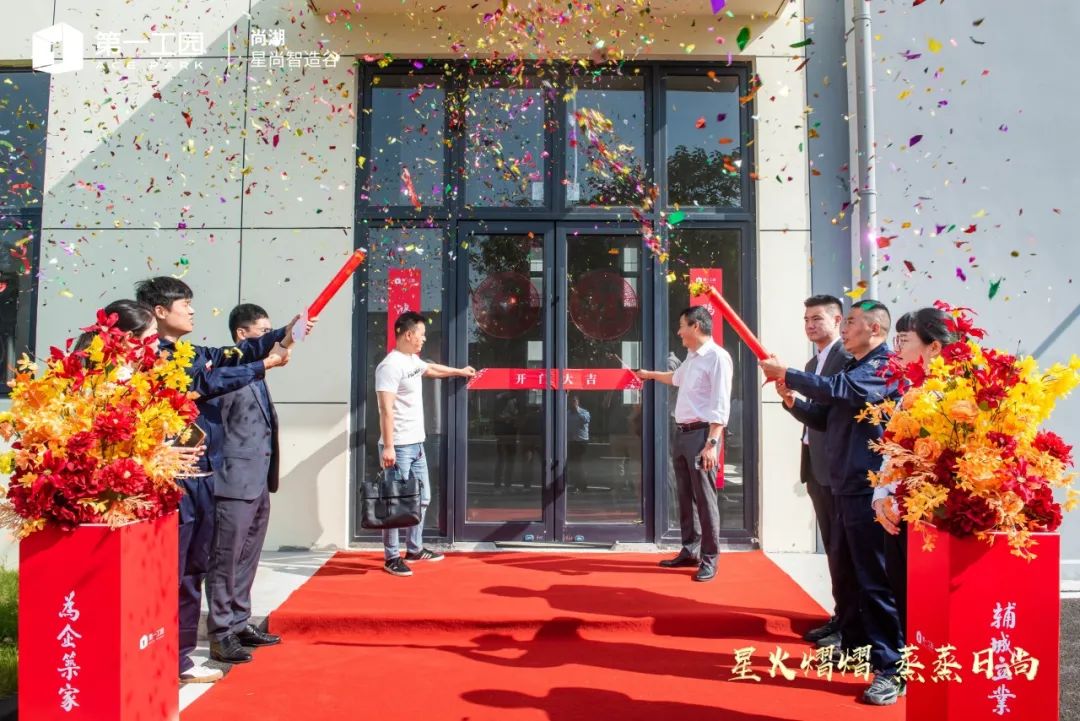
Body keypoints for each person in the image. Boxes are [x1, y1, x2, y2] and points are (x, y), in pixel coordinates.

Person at [135, 277, 305, 684]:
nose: (192, 310)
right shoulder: (152, 357)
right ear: (160, 311)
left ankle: (180, 658)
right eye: (185, 304)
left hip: (201, 475)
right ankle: (166, 654)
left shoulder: (191, 352)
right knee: (178, 571)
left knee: (193, 570)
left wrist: (284, 333)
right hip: (173, 478)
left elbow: (233, 354)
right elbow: (206, 383)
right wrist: (264, 365)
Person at [760, 299, 904, 706]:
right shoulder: (854, 367)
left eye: (851, 322)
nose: (844, 330)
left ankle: (892, 666)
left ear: (875, 329)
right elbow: (825, 417)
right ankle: (859, 647)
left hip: (867, 489)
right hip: (843, 483)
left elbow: (844, 392)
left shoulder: (883, 366)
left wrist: (787, 373)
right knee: (852, 574)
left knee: (875, 580)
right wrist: (793, 401)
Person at [206, 304, 292, 665]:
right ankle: (220, 632)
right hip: (232, 483)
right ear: (242, 334)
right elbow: (214, 431)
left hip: (258, 481)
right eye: (264, 331)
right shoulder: (227, 372)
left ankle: (240, 621)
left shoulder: (256, 373)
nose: (269, 337)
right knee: (225, 559)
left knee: (248, 557)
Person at [873, 307, 956, 633]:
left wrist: (902, 501)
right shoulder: (910, 393)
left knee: (929, 613)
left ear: (933, 347)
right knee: (906, 606)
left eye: (904, 340)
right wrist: (881, 498)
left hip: (930, 521)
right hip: (898, 516)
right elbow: (890, 452)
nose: (897, 349)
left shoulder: (957, 398)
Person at [636, 306, 733, 583]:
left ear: (696, 326)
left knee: (705, 499)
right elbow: (675, 379)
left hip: (702, 436)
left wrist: (711, 443)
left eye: (682, 326)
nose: (679, 332)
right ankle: (690, 549)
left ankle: (710, 558)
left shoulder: (717, 357)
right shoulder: (692, 357)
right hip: (682, 433)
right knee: (685, 497)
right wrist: (649, 375)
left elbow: (721, 404)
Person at [376, 311, 476, 577]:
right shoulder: (389, 366)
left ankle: (414, 548)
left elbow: (431, 369)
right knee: (396, 504)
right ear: (408, 335)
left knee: (423, 498)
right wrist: (388, 446)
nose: (423, 339)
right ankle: (391, 557)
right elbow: (385, 409)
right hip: (398, 446)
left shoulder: (411, 360)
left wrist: (459, 371)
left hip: (416, 444)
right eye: (421, 335)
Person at [785, 295, 851, 650]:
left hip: (838, 469)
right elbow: (816, 416)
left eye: (817, 319)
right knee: (832, 547)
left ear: (837, 320)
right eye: (806, 319)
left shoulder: (846, 358)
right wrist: (792, 401)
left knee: (845, 550)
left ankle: (850, 625)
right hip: (815, 466)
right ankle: (840, 616)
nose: (810, 325)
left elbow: (833, 408)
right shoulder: (814, 361)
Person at [566, 394, 591, 493]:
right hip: (571, 441)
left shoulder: (584, 412)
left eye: (574, 401)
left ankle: (582, 485)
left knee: (579, 463)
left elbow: (586, 420)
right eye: (570, 401)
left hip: (581, 442)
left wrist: (577, 411)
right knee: (573, 464)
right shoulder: (567, 413)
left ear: (578, 402)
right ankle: (576, 484)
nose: (572, 403)